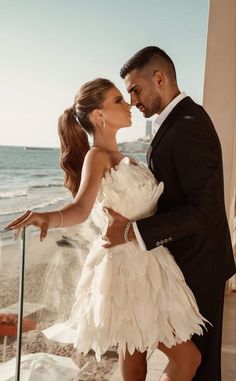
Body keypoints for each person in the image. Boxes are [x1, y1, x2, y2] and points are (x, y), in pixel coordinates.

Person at [6, 78, 208, 381]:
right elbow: (80, 208)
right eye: (118, 100)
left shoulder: (129, 158)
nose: (128, 104)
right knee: (182, 358)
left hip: (151, 262)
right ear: (98, 115)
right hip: (126, 266)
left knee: (150, 358)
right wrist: (47, 216)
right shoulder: (96, 156)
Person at [103, 46, 236, 381]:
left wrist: (135, 230)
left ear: (159, 78)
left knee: (200, 367)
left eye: (134, 89)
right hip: (184, 262)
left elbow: (206, 208)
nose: (131, 100)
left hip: (199, 265)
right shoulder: (177, 121)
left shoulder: (189, 124)